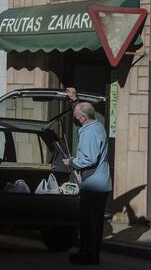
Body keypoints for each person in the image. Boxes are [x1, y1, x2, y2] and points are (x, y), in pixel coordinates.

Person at [62, 87, 112, 265]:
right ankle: (92, 254)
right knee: (95, 222)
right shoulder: (96, 125)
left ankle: (88, 254)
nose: (75, 117)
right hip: (101, 182)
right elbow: (82, 114)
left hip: (94, 184)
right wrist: (74, 100)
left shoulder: (90, 133)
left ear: (83, 117)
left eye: (76, 115)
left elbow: (89, 159)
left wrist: (72, 162)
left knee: (87, 222)